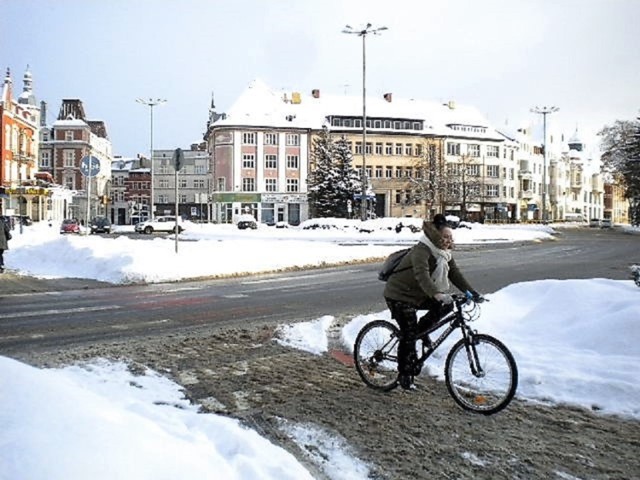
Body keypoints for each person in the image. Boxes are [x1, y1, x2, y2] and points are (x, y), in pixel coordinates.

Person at [383, 213, 481, 390]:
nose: (448, 240)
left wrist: (471, 292)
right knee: (409, 331)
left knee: (448, 305)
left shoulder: (444, 252)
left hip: (419, 295)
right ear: (435, 235)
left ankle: (422, 331)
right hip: (399, 295)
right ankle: (404, 373)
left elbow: (454, 273)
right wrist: (437, 294)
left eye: (450, 237)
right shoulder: (422, 250)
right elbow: (422, 275)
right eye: (445, 237)